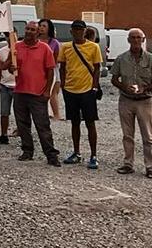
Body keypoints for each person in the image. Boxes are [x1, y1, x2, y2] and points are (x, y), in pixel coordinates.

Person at [8, 21, 60, 166]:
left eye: (33, 29)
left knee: (42, 125)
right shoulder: (17, 46)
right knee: (22, 124)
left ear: (38, 32)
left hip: (38, 93)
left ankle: (51, 154)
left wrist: (47, 91)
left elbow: (50, 70)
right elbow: (10, 66)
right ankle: (27, 151)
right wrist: (12, 68)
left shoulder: (44, 48)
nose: (29, 31)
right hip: (20, 91)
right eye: (27, 29)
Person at [58, 19, 103, 169]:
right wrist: (63, 85)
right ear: (71, 31)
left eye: (80, 30)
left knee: (90, 122)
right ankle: (76, 152)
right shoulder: (65, 47)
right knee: (74, 122)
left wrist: (94, 87)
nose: (78, 32)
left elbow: (97, 68)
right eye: (75, 30)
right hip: (70, 89)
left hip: (87, 90)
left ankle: (94, 155)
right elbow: (62, 67)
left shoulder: (93, 47)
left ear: (85, 31)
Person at [110, 28, 152, 178]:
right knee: (127, 135)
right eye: (132, 38)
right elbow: (114, 79)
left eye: (138, 38)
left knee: (148, 136)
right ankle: (128, 163)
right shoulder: (121, 59)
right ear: (128, 40)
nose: (135, 40)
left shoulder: (150, 59)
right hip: (126, 100)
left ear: (143, 39)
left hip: (145, 101)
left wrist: (144, 88)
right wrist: (124, 87)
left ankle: (150, 166)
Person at [0, 32, 17, 145]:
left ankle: (22, 132)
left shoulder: (20, 49)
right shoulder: (1, 51)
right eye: (7, 36)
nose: (10, 38)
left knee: (20, 112)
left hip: (18, 86)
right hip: (5, 84)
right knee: (4, 112)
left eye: (12, 35)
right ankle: (4, 134)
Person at [38, 19, 63, 120]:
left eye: (44, 26)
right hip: (37, 69)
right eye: (40, 26)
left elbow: (57, 58)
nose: (41, 28)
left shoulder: (54, 43)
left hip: (51, 69)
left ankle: (56, 114)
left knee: (52, 91)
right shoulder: (35, 40)